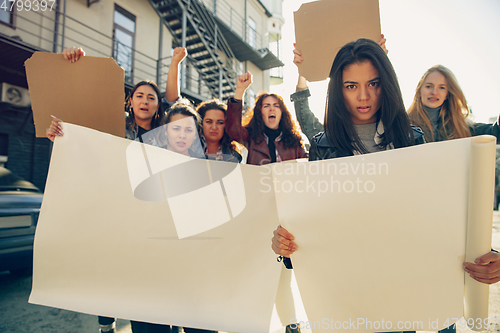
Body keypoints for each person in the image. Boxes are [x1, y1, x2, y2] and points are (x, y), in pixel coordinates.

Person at [46, 46, 187, 333]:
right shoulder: (112, 126)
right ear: (129, 102)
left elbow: (174, 100)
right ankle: (106, 323)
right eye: (139, 96)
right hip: (117, 212)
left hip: (158, 217)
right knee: (114, 268)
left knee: (156, 283)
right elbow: (80, 137)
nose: (145, 101)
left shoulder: (165, 131)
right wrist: (59, 135)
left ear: (158, 107)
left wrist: (174, 62)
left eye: (151, 98)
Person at [225, 72, 307, 165]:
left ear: (282, 112)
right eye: (266, 106)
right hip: (258, 179)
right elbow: (234, 130)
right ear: (260, 113)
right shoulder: (252, 137)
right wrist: (240, 90)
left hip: (287, 180)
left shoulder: (295, 140)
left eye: (276, 106)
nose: (271, 108)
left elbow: (304, 166)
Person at [195, 99, 242, 163]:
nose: (214, 127)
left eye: (220, 122)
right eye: (209, 122)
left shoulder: (235, 157)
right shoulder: (188, 150)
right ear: (200, 123)